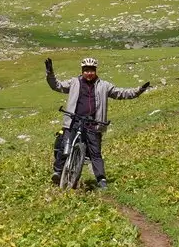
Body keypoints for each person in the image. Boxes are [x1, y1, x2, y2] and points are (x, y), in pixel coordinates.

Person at [46, 56, 150, 189]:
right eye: (86, 70)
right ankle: (58, 172)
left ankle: (101, 180)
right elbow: (56, 85)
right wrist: (50, 72)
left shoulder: (104, 86)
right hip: (74, 120)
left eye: (91, 70)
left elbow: (121, 93)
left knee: (95, 153)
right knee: (64, 145)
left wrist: (138, 91)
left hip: (94, 123)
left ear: (95, 71)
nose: (89, 73)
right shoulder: (74, 82)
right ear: (82, 70)